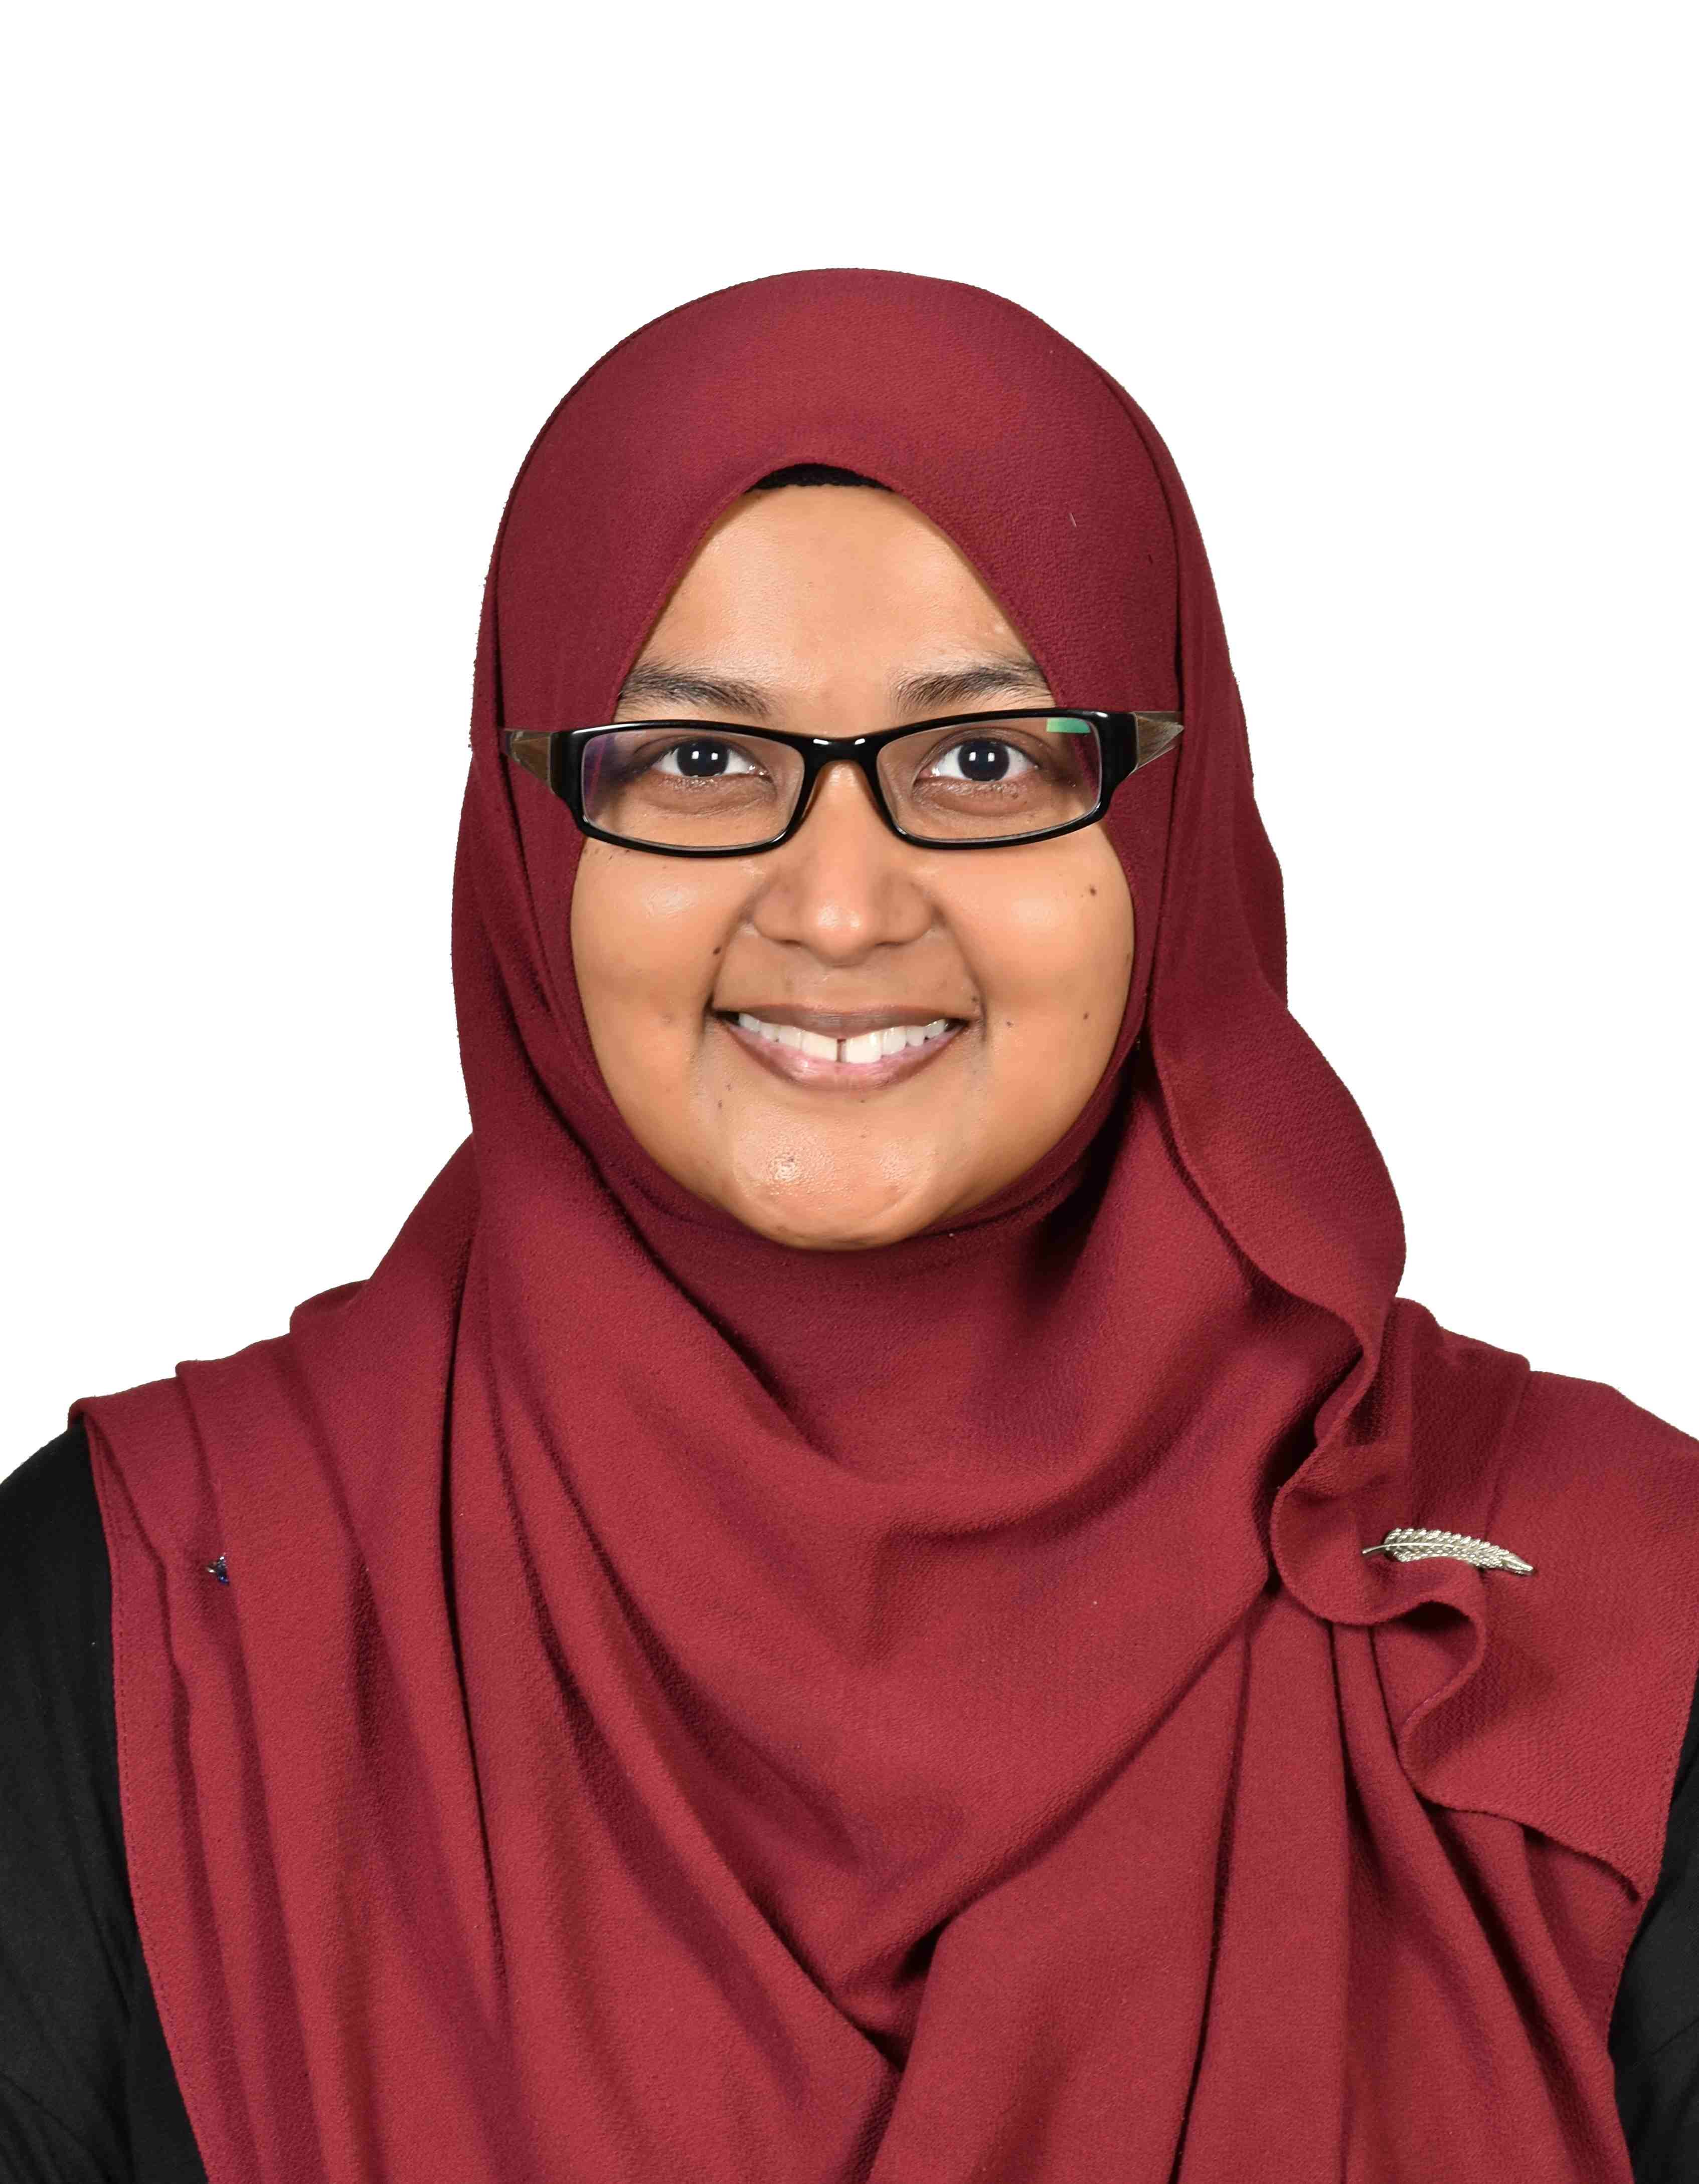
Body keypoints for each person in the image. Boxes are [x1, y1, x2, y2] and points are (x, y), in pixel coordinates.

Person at [3, 267, 1696, 2182]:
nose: (835, 904)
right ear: (532, 829)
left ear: (1165, 819)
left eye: (981, 759)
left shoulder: (1608, 1609)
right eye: (698, 761)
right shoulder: (153, 1608)